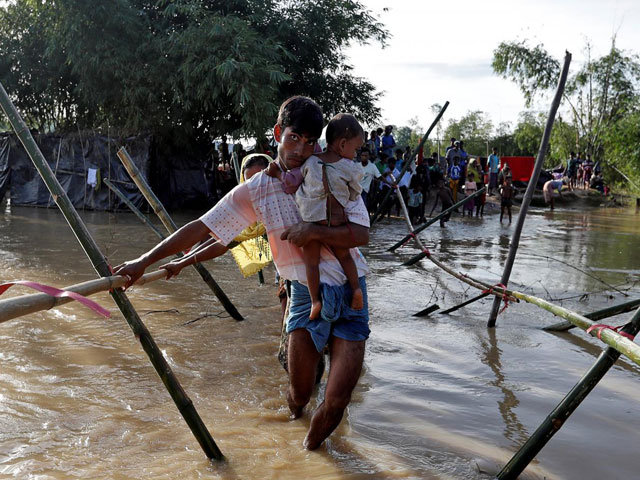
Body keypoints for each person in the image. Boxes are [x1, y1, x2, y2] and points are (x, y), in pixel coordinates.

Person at [114, 96, 371, 450]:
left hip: (352, 291)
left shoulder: (332, 171)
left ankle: (307, 458)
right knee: (299, 392)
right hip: (300, 289)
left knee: (338, 399)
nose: (302, 149)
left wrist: (314, 232)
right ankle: (296, 419)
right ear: (279, 133)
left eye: (311, 142)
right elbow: (204, 228)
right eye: (295, 138)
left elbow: (361, 235)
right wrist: (144, 261)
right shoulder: (259, 188)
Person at [277, 112, 365, 322]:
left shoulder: (311, 162)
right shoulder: (350, 167)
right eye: (355, 148)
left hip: (311, 222)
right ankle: (355, 289)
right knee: (346, 257)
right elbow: (355, 192)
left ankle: (315, 300)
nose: (355, 154)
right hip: (335, 224)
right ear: (343, 144)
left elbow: (290, 183)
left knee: (311, 264)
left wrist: (276, 174)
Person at [358, 147, 382, 211]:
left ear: (369, 156)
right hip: (355, 190)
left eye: (366, 156)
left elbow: (379, 177)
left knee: (363, 207)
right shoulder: (356, 166)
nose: (364, 157)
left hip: (364, 191)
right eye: (362, 155)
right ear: (360, 156)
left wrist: (390, 183)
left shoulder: (372, 167)